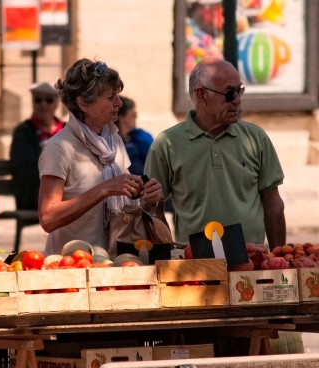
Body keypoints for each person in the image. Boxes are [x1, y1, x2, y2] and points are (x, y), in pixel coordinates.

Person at [144, 58, 286, 249]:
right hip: (194, 264)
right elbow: (153, 209)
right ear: (201, 95)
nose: (237, 100)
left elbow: (273, 203)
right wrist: (170, 255)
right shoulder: (166, 144)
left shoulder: (255, 138)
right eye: (229, 93)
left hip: (252, 260)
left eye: (240, 90)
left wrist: (279, 255)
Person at [38, 59, 165, 257]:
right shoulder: (59, 147)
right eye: (110, 97)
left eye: (118, 95)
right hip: (74, 266)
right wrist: (104, 189)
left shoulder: (113, 140)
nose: (119, 103)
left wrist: (148, 196)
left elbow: (125, 204)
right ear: (84, 103)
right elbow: (48, 218)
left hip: (116, 260)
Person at [10, 82, 64, 210]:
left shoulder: (67, 129)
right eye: (38, 100)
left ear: (56, 103)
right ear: (33, 103)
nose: (43, 104)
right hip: (35, 197)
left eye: (49, 100)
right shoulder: (23, 132)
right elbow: (25, 169)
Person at [115, 95, 153, 176]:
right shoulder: (111, 141)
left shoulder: (140, 136)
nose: (136, 117)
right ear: (121, 117)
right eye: (133, 115)